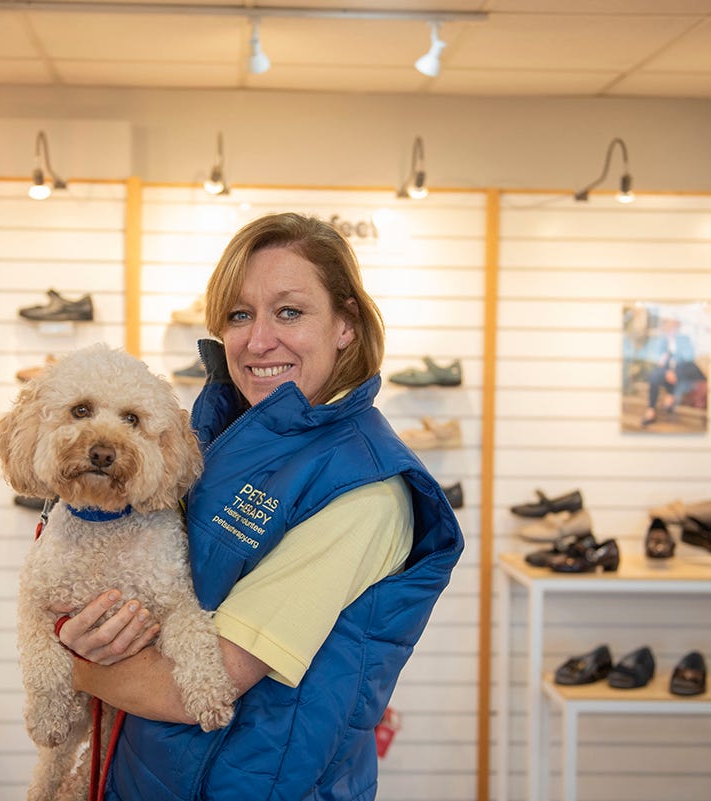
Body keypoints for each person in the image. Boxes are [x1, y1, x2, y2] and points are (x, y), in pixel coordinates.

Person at [54, 212, 464, 800]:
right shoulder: (224, 437)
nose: (258, 339)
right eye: (240, 315)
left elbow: (192, 688)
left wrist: (71, 657)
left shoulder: (366, 494)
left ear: (345, 324)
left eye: (290, 312)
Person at [641, 316, 705, 427]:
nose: (670, 328)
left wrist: (673, 364)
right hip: (669, 372)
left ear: (676, 326)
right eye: (667, 325)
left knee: (680, 369)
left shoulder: (684, 339)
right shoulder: (662, 341)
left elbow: (689, 357)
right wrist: (667, 370)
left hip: (685, 370)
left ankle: (671, 396)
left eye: (672, 325)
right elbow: (659, 360)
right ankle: (651, 410)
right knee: (655, 375)